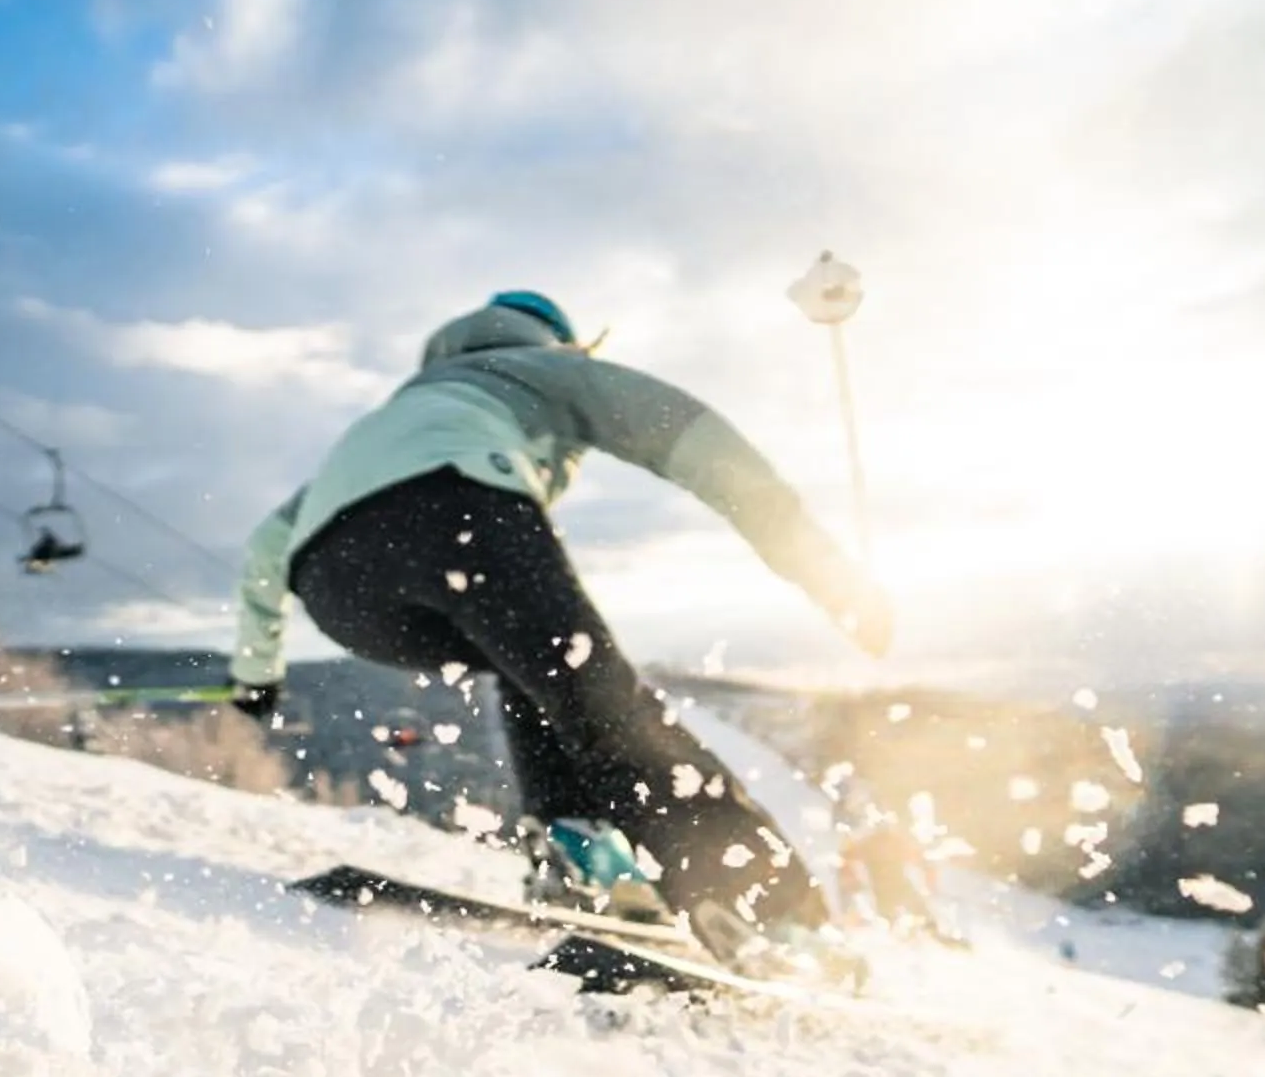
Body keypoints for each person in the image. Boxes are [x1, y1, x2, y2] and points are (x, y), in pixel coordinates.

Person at [231, 288, 891, 951]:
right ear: (559, 341)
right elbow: (703, 444)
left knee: (536, 677)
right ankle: (769, 910)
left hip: (341, 590)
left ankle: (581, 859)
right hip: (460, 513)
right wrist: (829, 575)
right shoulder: (545, 370)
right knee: (603, 702)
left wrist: (256, 676)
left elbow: (266, 545)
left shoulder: (399, 412)